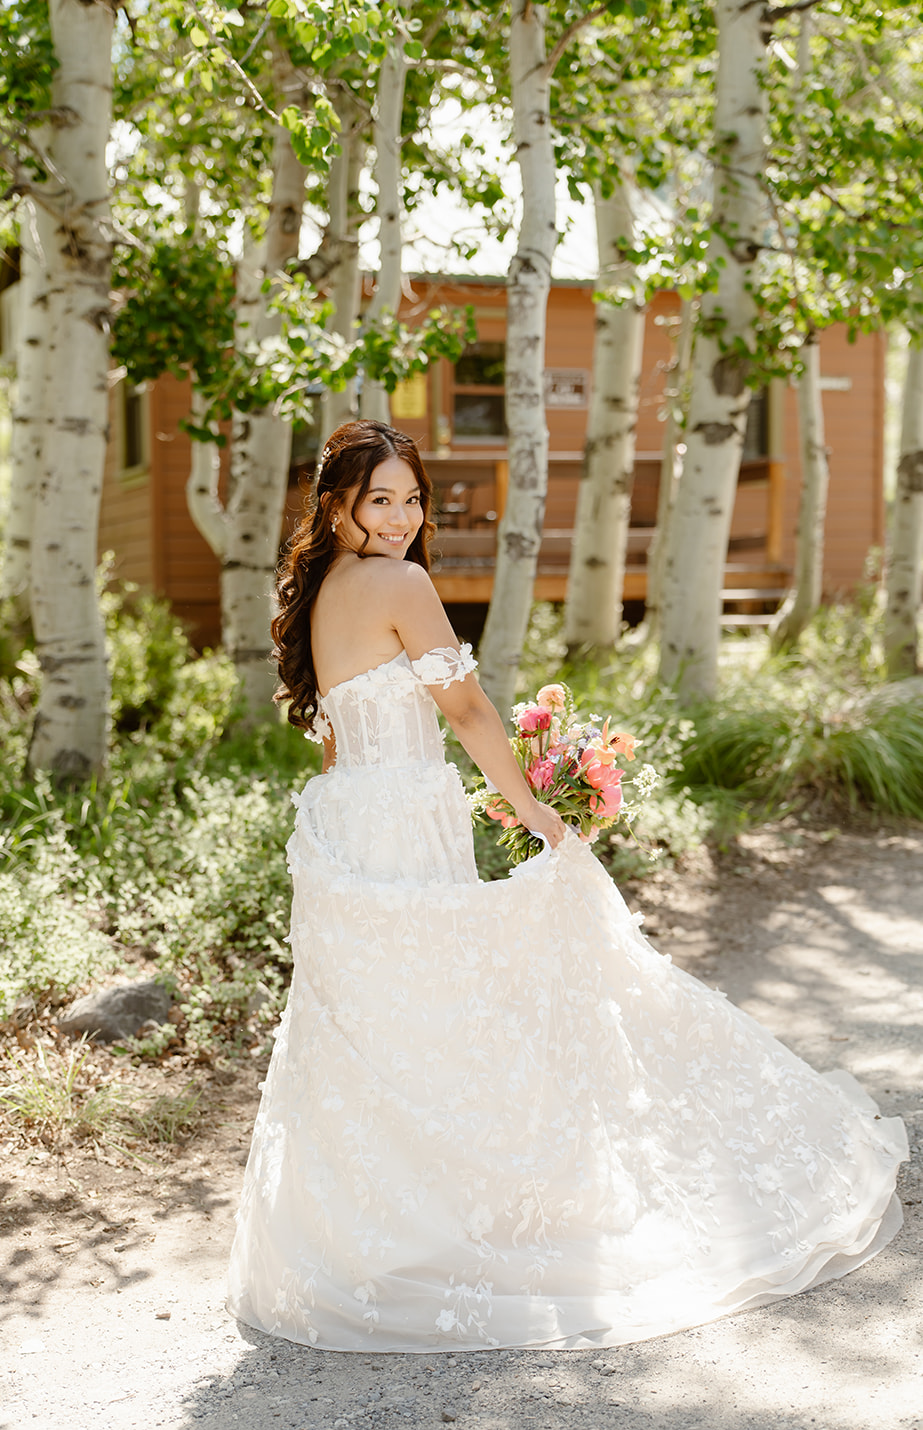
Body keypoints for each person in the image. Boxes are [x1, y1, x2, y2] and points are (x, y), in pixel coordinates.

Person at [227, 419, 906, 1353]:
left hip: (349, 818)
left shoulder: (324, 592)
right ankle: (448, 1218)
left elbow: (341, 736)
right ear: (337, 504)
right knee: (432, 1008)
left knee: (376, 1019)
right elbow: (463, 708)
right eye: (378, 498)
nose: (399, 516)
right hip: (409, 814)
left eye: (411, 498)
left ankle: (378, 1236)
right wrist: (536, 812)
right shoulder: (403, 582)